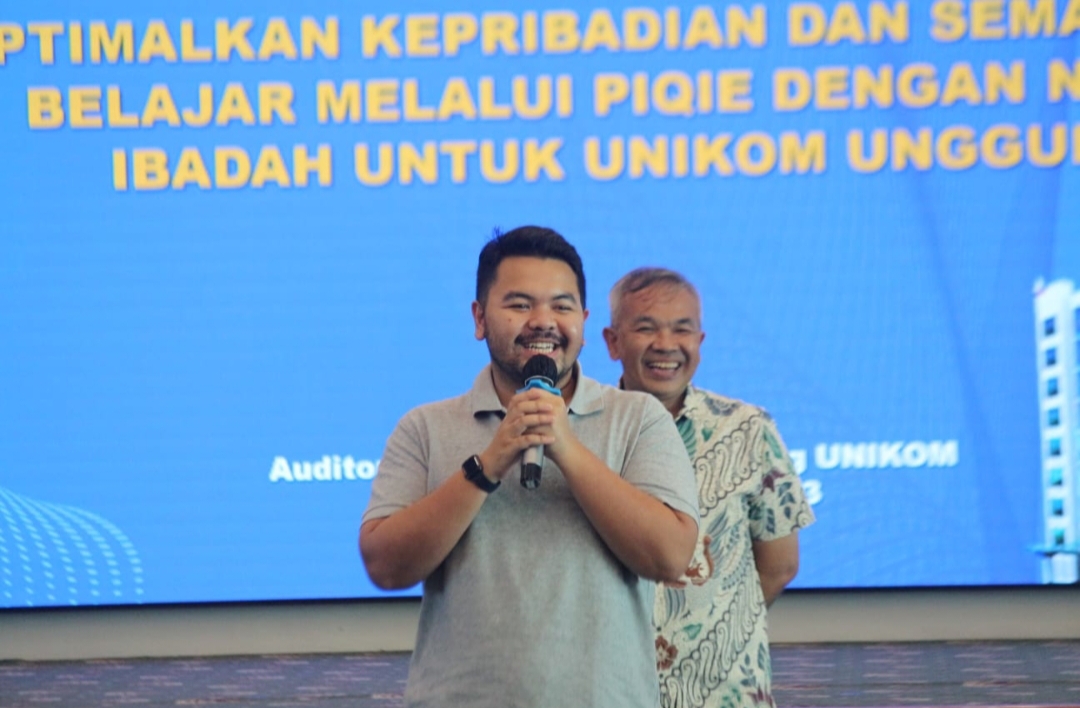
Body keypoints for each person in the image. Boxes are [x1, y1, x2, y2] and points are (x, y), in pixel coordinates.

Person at [360, 227, 700, 708]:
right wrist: (488, 464)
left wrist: (566, 448)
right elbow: (385, 567)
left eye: (562, 306)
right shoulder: (424, 427)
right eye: (520, 305)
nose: (543, 322)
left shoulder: (639, 418)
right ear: (480, 318)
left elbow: (668, 557)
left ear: (583, 321)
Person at [603, 267, 816, 708]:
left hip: (724, 691)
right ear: (613, 342)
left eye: (682, 329)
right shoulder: (583, 432)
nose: (666, 344)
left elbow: (779, 566)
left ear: (700, 342)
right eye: (646, 328)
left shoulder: (748, 429)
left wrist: (715, 626)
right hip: (610, 688)